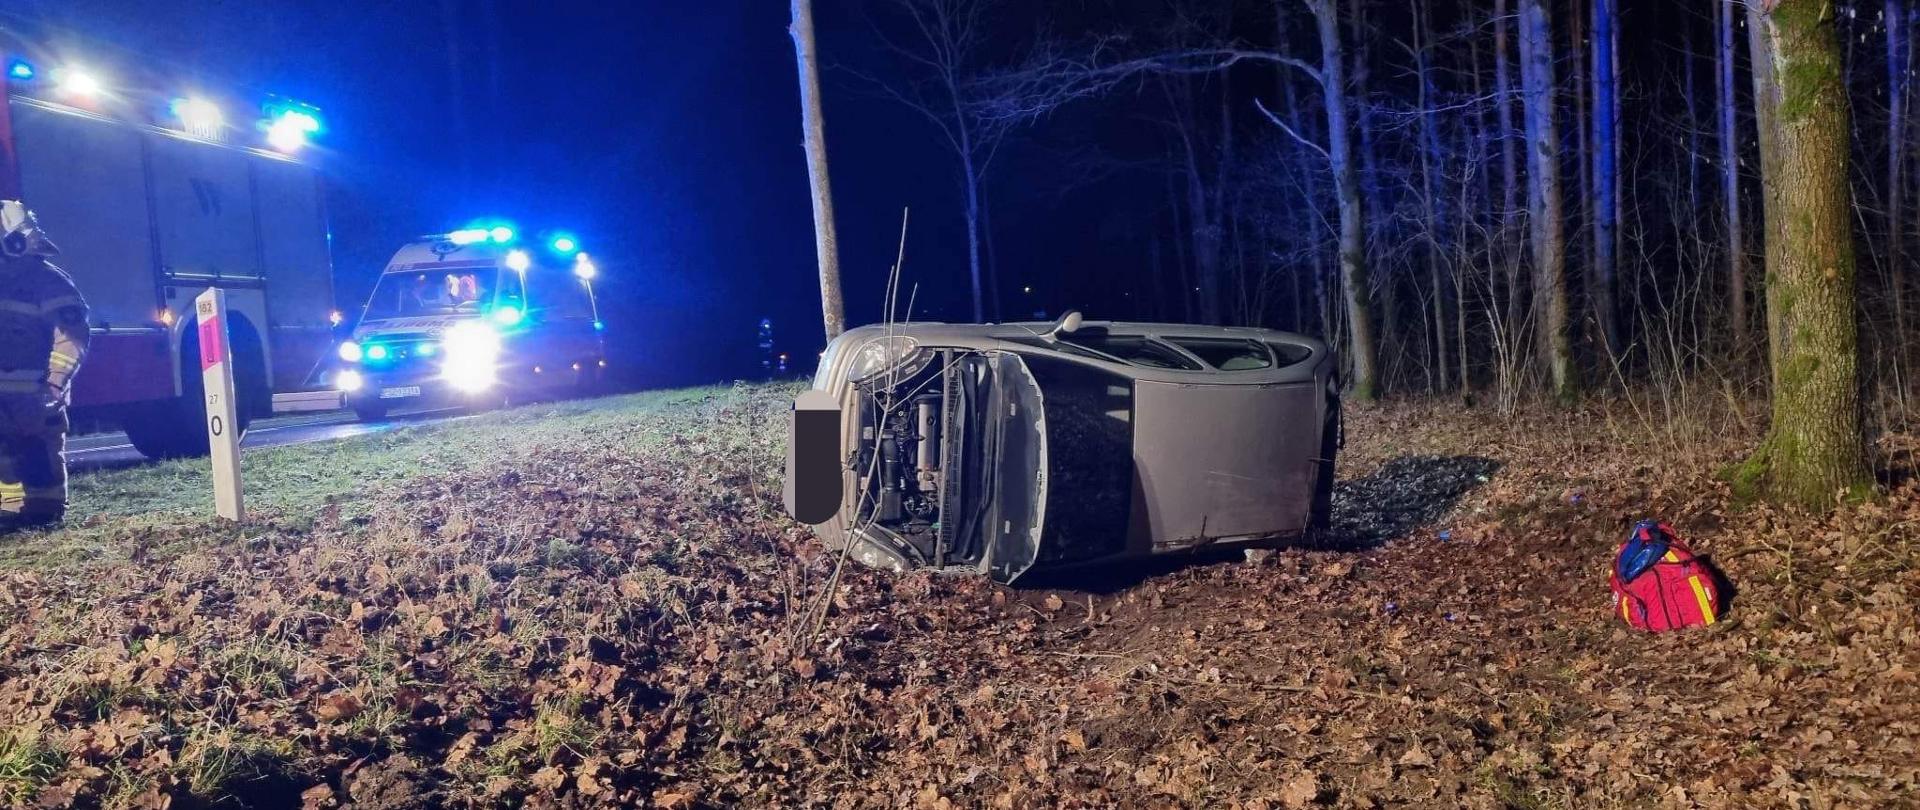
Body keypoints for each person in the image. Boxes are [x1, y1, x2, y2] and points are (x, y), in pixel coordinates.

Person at [0, 201, 89, 529]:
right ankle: (9, 515)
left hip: (34, 397)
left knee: (38, 457)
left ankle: (44, 515)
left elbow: (71, 334)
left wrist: (55, 382)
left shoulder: (48, 281)